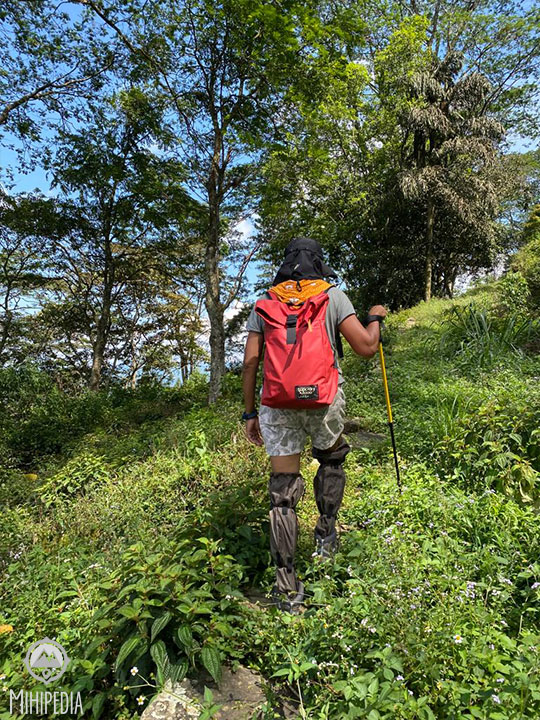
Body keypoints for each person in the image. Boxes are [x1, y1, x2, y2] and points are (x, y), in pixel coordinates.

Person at [242, 237, 387, 613]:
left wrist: (250, 414)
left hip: (277, 403)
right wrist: (375, 318)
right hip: (324, 398)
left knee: (282, 491)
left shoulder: (265, 302)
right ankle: (325, 536)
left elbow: (251, 362)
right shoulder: (332, 296)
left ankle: (286, 587)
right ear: (319, 263)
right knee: (331, 459)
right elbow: (366, 347)